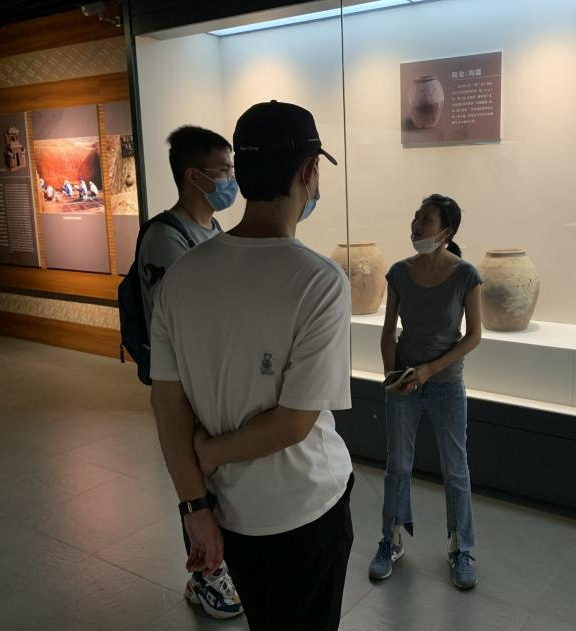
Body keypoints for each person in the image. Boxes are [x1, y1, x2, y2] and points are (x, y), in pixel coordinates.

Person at [150, 100, 354, 630]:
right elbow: (294, 423)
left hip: (227, 511)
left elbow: (167, 405)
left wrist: (194, 506)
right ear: (308, 172)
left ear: (241, 174)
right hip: (304, 509)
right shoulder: (319, 281)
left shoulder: (181, 277)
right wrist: (211, 452)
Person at [138, 125, 243, 620]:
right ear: (193, 176)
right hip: (184, 385)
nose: (231, 179)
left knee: (215, 479)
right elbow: (183, 323)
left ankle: (217, 563)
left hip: (215, 379)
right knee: (193, 481)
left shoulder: (214, 230)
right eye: (223, 171)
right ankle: (204, 576)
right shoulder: (166, 237)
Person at [368, 193, 483, 590]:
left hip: (446, 384)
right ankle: (391, 540)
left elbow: (474, 336)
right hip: (404, 383)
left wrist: (430, 370)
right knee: (397, 466)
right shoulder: (399, 272)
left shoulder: (466, 275)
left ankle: (461, 547)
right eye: (416, 217)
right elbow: (388, 332)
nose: (416, 225)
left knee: (456, 468)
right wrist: (392, 377)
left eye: (426, 220)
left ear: (446, 232)